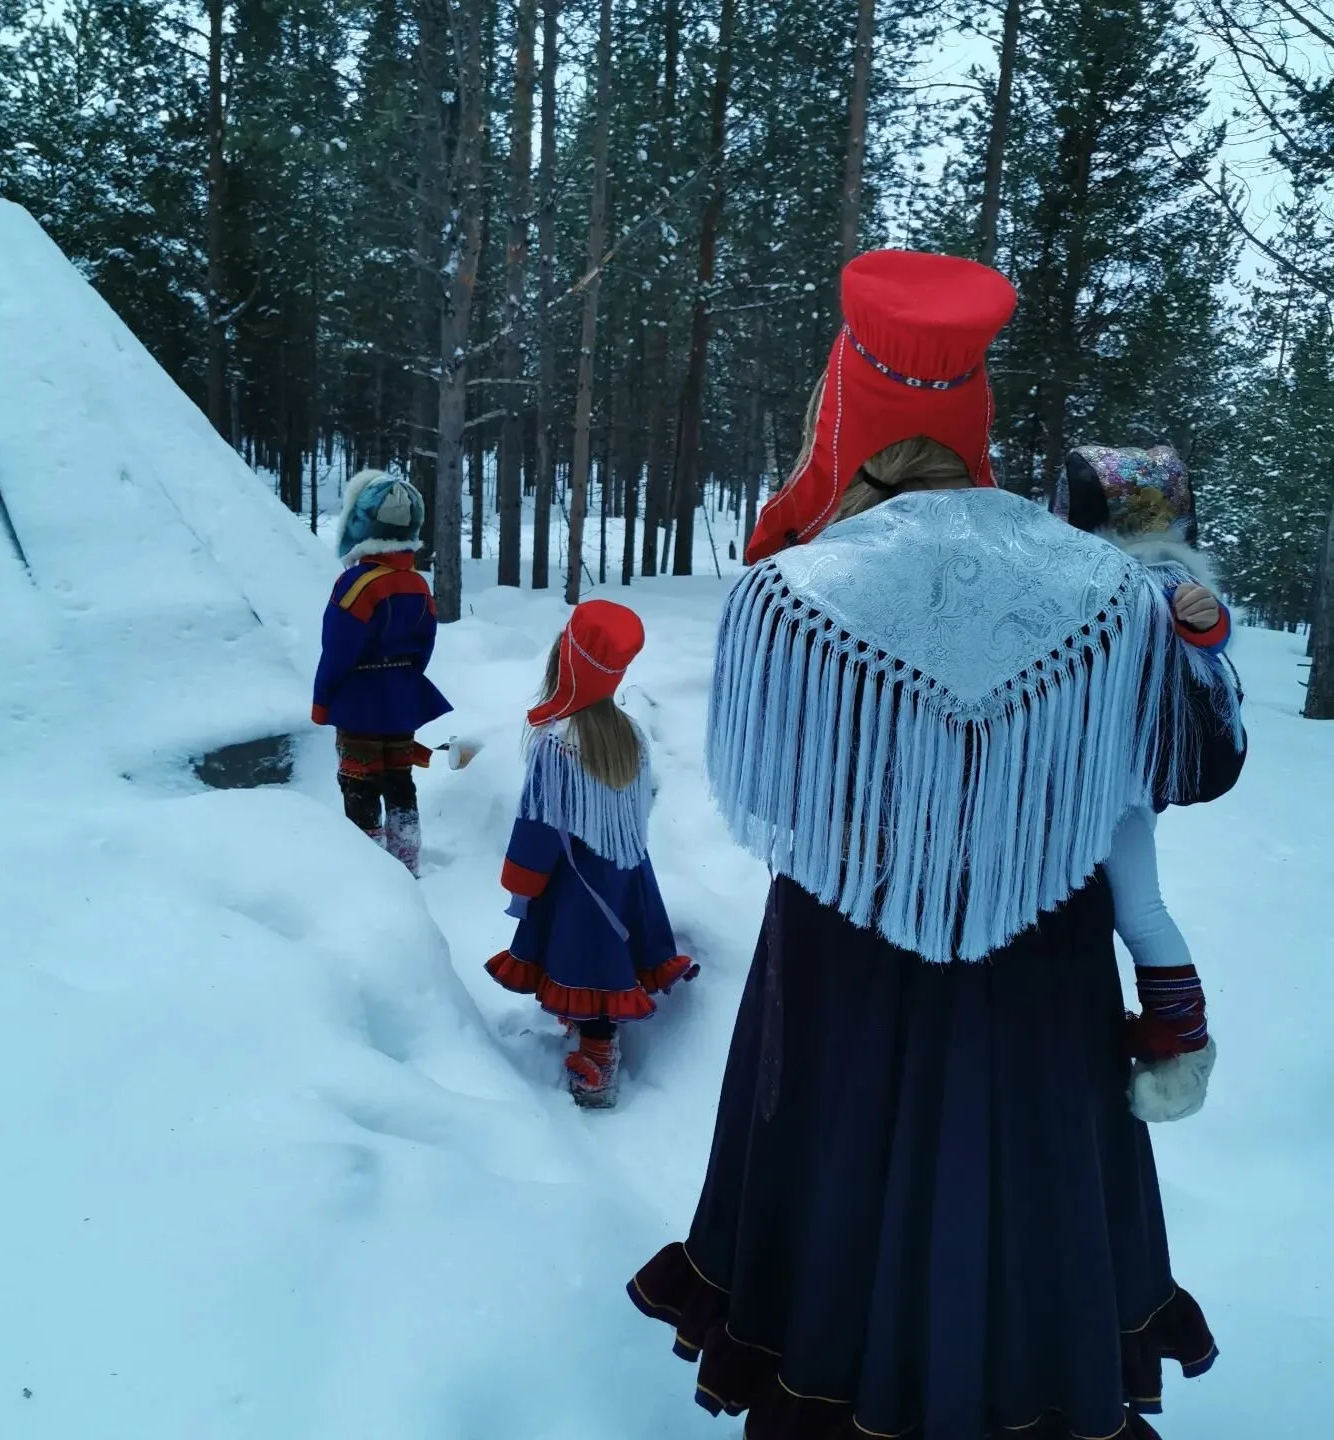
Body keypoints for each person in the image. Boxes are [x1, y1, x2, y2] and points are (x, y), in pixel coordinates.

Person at [627, 251, 1246, 1440]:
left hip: (843, 957)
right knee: (1029, 1190)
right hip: (1040, 953)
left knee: (842, 1179)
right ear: (980, 417)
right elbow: (1193, 768)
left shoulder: (790, 591)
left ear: (842, 411)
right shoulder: (1106, 589)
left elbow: (766, 793)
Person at [1056, 444, 1238, 1123]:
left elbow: (1212, 649)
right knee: (1136, 907)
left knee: (1137, 909)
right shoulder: (1108, 580)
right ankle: (1181, 1040)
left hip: (1115, 778)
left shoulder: (1161, 584)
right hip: (1106, 776)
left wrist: (1204, 626)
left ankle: (1184, 1041)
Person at [485, 600, 696, 1108]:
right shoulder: (630, 735)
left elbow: (538, 825)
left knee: (590, 962)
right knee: (608, 961)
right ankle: (592, 1038)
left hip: (578, 886)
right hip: (626, 874)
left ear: (566, 664)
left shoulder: (558, 744)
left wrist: (522, 879)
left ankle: (599, 1062)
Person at [312, 471, 451, 878]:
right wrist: (406, 684)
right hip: (401, 701)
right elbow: (425, 643)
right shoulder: (417, 584)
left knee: (359, 783)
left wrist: (323, 702)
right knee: (400, 780)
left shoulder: (355, 585)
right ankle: (407, 862)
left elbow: (337, 650)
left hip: (359, 703)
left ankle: (369, 874)